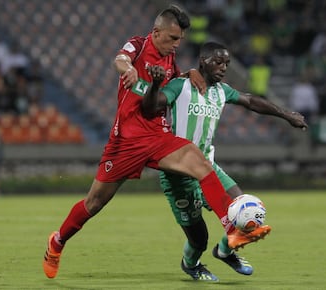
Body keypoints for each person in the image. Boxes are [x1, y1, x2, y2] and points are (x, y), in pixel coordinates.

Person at [42, 5, 270, 279]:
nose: (176, 44)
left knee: (201, 163)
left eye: (180, 40)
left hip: (157, 135)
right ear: (156, 32)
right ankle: (57, 243)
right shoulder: (138, 45)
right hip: (125, 141)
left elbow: (171, 84)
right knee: (94, 203)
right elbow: (120, 60)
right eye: (173, 38)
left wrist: (189, 73)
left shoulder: (170, 59)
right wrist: (129, 70)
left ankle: (232, 231)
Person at [143, 42, 308, 281]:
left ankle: (224, 251)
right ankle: (191, 264)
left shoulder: (222, 91)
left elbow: (250, 101)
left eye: (227, 64)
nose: (223, 68)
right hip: (178, 173)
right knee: (198, 239)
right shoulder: (181, 85)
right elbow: (150, 107)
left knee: (245, 212)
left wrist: (286, 114)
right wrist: (155, 84)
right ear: (203, 61)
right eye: (217, 62)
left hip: (208, 167)